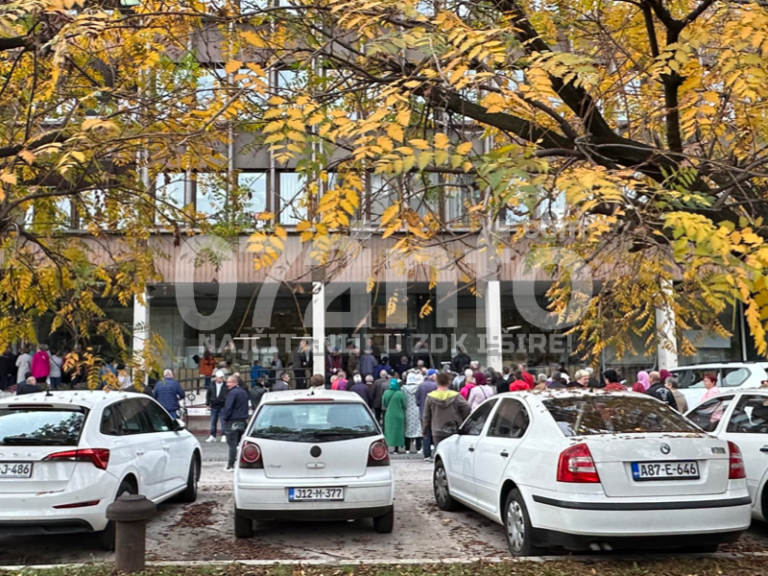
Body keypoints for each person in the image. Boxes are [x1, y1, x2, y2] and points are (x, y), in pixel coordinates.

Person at [422, 372, 471, 450]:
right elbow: (467, 407)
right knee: (453, 452)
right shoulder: (456, 396)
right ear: (449, 382)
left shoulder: (430, 397)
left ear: (437, 382)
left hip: (437, 429)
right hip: (453, 428)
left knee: (439, 452)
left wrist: (424, 430)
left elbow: (426, 416)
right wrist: (462, 419)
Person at [222, 375, 249, 471]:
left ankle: (230, 465)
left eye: (229, 382)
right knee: (241, 444)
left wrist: (225, 418)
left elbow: (228, 407)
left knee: (232, 445)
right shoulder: (244, 392)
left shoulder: (232, 393)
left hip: (232, 420)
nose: (227, 384)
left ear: (235, 383)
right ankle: (242, 463)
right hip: (243, 420)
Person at [382, 379, 406, 453]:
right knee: (398, 431)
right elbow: (404, 404)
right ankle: (397, 448)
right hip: (399, 414)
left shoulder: (386, 393)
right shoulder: (400, 393)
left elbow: (384, 403)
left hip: (389, 415)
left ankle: (388, 447)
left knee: (388, 431)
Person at [401, 373, 422, 454]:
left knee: (407, 429)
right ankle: (418, 448)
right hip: (416, 409)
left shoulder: (403, 388)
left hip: (407, 410)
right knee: (418, 429)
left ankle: (407, 448)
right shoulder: (418, 387)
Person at [205, 370, 229, 443]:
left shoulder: (225, 385)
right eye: (219, 378)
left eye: (221, 378)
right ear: (216, 378)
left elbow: (228, 394)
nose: (220, 379)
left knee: (223, 421)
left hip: (223, 405)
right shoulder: (211, 384)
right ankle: (213, 435)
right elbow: (208, 394)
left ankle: (224, 435)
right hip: (214, 405)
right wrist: (208, 404)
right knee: (213, 421)